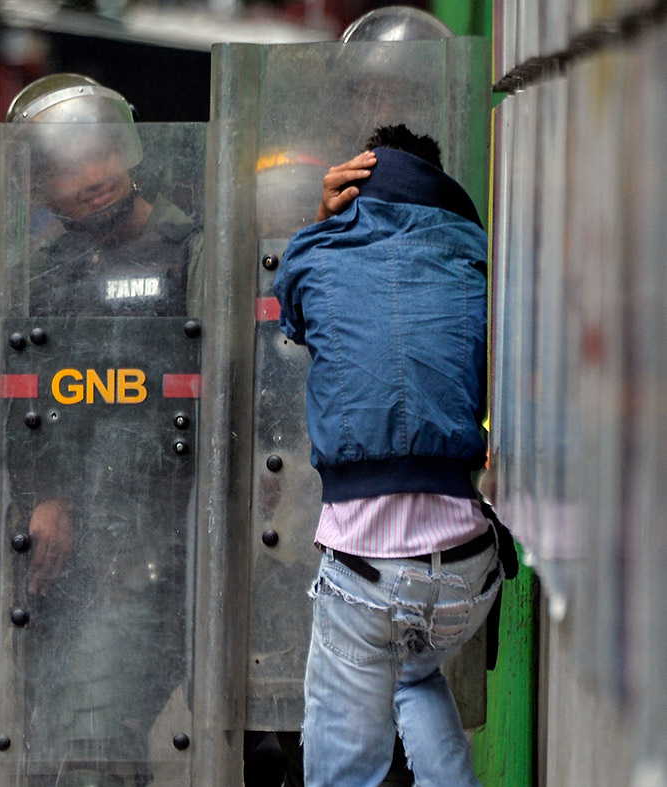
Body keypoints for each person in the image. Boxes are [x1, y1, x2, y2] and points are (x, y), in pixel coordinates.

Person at [272, 124, 504, 787]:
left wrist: (324, 221)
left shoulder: (317, 249)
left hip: (367, 570)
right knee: (413, 674)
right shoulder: (478, 251)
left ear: (358, 177)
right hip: (470, 566)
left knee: (345, 770)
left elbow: (293, 319)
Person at [4, 73, 202, 786]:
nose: (92, 178)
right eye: (67, 167)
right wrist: (47, 490)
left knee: (93, 739)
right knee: (53, 743)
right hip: (60, 558)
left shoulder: (192, 252)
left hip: (156, 545)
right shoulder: (39, 274)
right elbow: (20, 398)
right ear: (39, 189)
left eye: (100, 153)